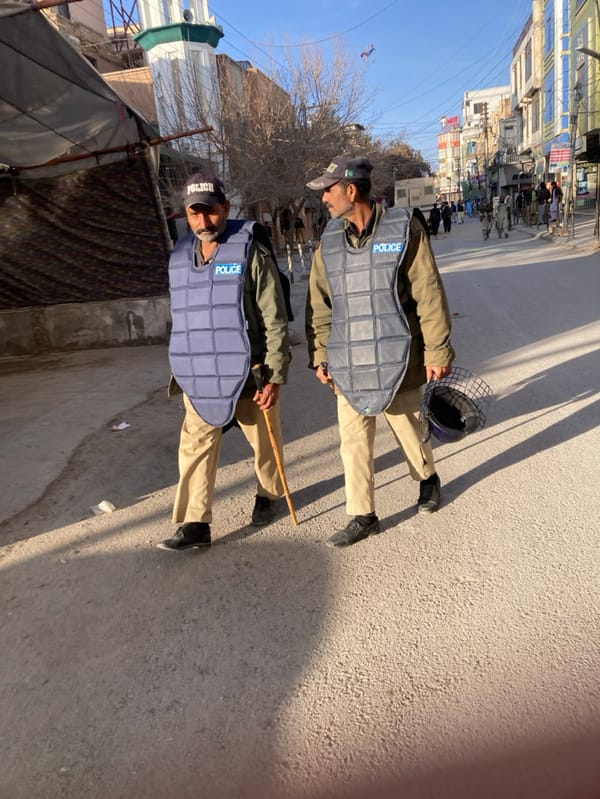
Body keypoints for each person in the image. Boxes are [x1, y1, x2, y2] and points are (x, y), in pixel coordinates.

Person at [305, 155, 455, 548]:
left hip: (396, 354)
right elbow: (321, 305)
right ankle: (362, 514)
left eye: (329, 190)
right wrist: (321, 354)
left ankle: (427, 479)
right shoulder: (330, 242)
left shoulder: (404, 229)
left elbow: (429, 293)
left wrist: (437, 350)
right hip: (348, 359)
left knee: (407, 427)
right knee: (353, 440)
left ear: (351, 191)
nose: (324, 199)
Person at [158, 173, 291, 551]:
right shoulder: (181, 256)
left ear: (226, 208)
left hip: (251, 372)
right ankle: (195, 523)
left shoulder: (250, 251)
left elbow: (273, 317)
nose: (202, 222)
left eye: (210, 212)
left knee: (265, 443)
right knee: (195, 445)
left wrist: (276, 375)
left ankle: (269, 495)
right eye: (194, 214)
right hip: (200, 374)